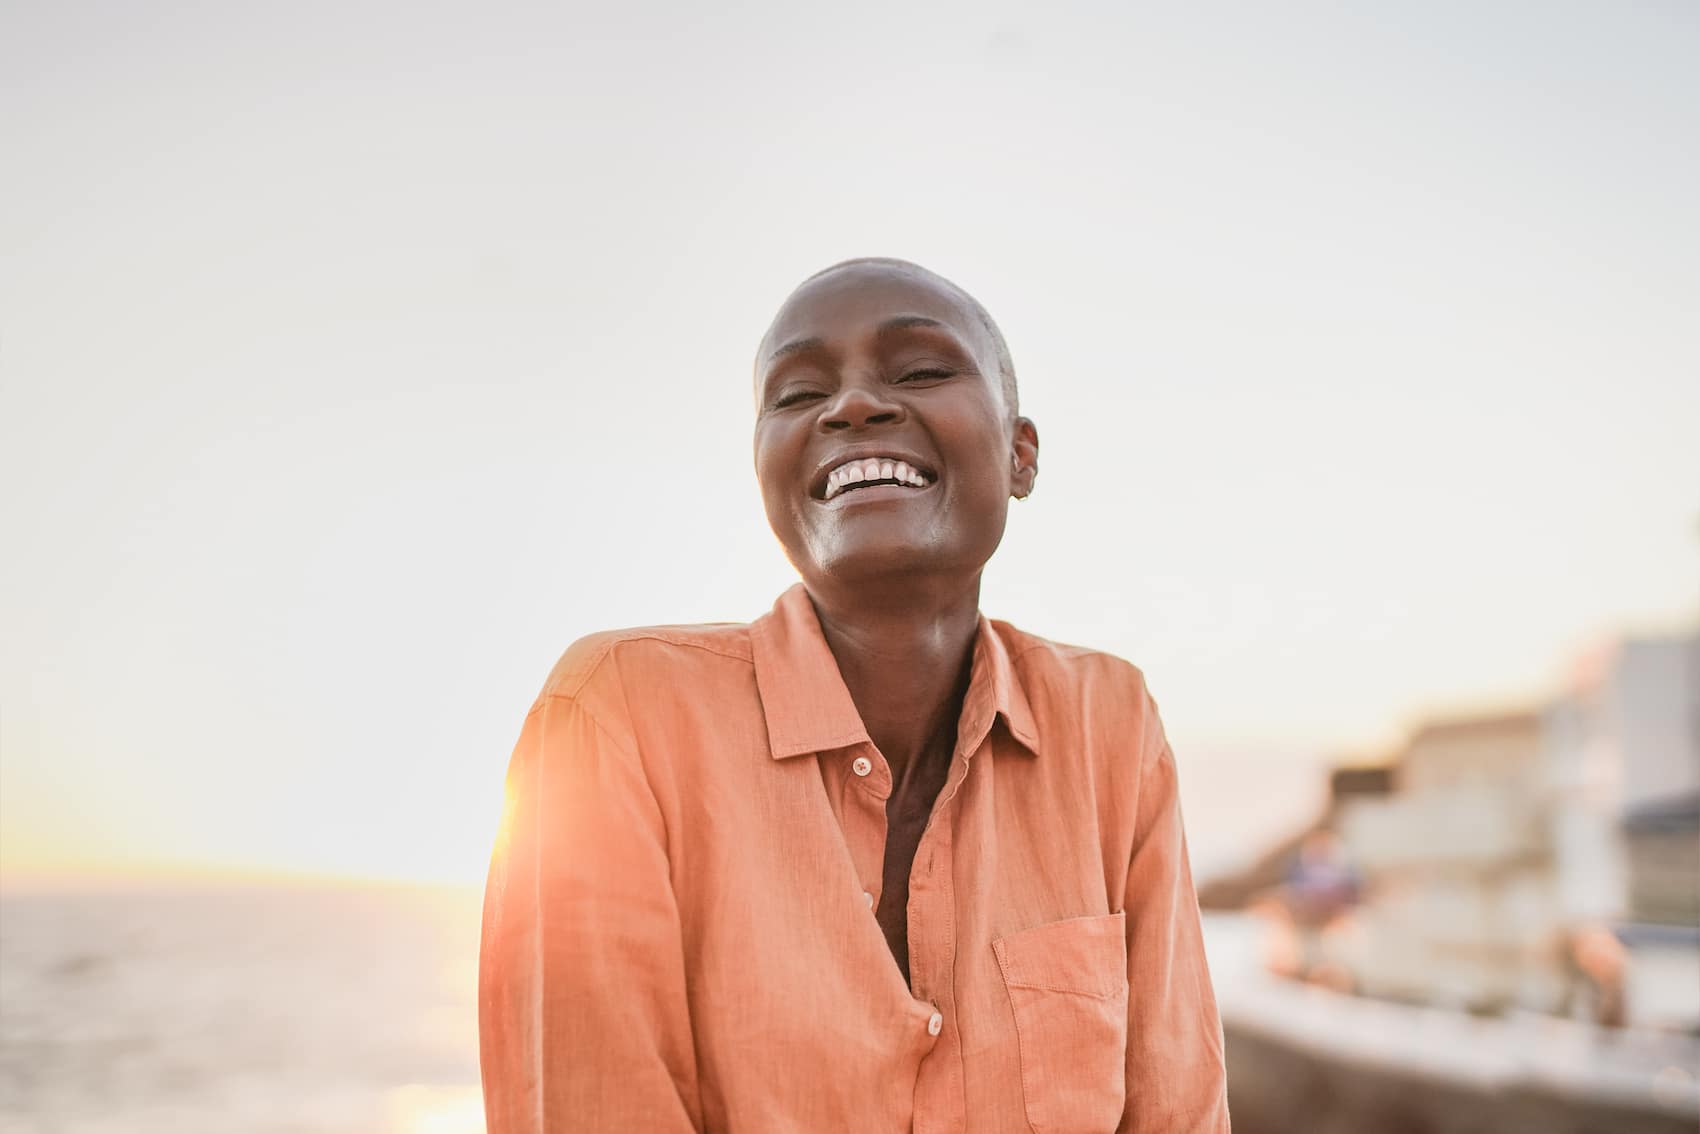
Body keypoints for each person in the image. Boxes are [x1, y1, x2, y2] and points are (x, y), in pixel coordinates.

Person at [479, 257, 1231, 1133]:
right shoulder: (616, 715)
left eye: (920, 371)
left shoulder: (1112, 725)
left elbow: (1178, 1108)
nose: (852, 407)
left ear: (1020, 455)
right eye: (797, 395)